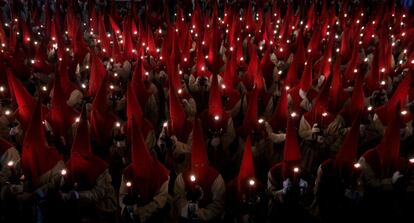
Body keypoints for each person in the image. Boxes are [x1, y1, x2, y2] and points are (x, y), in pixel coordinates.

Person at [63, 106, 117, 222]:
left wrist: (78, 195)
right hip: (80, 208)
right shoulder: (69, 165)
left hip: (102, 207)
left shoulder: (100, 168)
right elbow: (63, 184)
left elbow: (99, 193)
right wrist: (64, 192)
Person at [174, 118, 225, 222]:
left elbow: (218, 203)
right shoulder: (182, 177)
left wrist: (201, 214)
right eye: (196, 165)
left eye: (202, 164)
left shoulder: (215, 178)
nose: (199, 167)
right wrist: (188, 211)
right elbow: (178, 198)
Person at [119, 117, 170, 223]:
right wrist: (126, 206)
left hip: (154, 214)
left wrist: (142, 211)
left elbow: (160, 200)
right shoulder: (128, 172)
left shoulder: (161, 173)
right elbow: (122, 195)